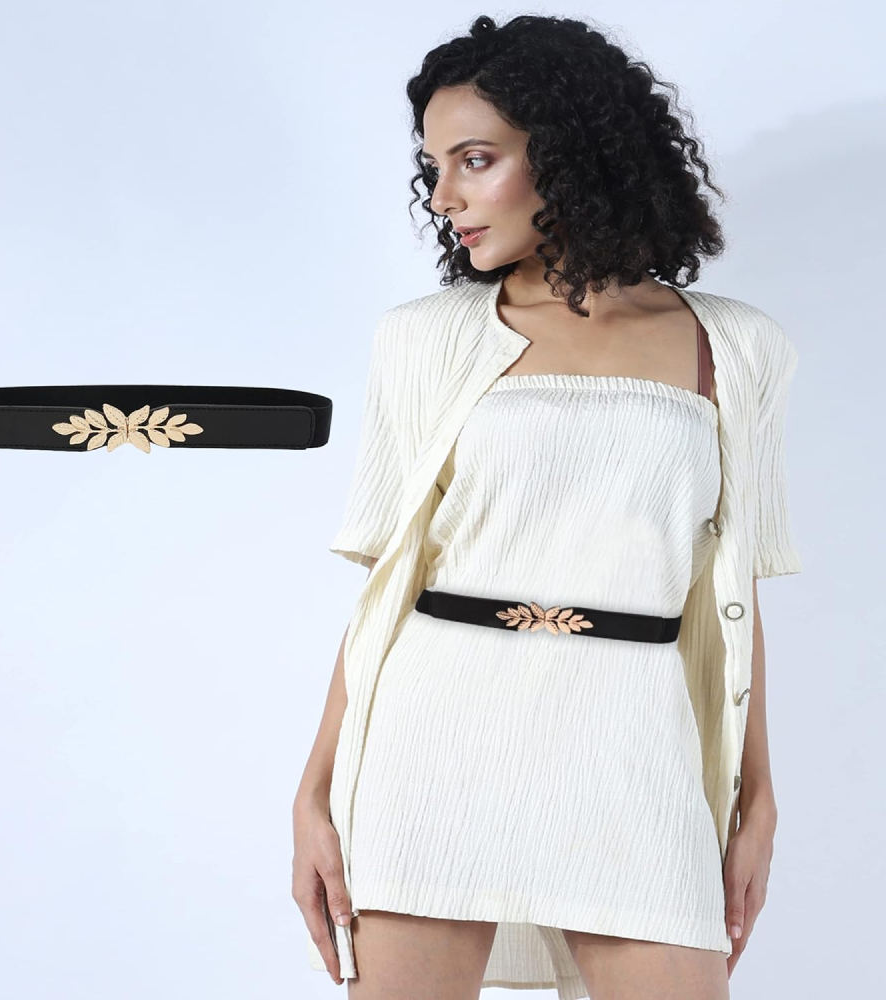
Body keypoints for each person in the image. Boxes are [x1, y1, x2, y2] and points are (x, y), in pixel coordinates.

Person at [293, 13, 801, 1000]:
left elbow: (735, 596)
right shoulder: (424, 339)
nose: (443, 196)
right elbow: (384, 590)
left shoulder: (739, 350)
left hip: (632, 739)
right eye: (434, 167)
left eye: (475, 160)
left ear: (568, 153)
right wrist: (315, 794)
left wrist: (756, 802)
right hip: (434, 736)